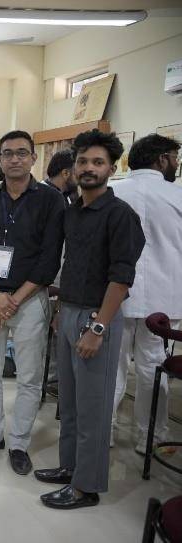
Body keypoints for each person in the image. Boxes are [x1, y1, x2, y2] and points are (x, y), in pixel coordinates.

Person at [37, 130, 145, 509]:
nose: (88, 168)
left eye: (97, 162)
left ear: (112, 169)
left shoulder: (120, 215)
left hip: (98, 318)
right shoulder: (73, 212)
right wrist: (60, 311)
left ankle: (86, 486)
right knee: (69, 403)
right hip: (69, 312)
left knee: (93, 408)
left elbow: (121, 278)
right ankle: (70, 467)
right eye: (82, 161)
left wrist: (98, 327)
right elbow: (71, 266)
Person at [0, 130, 65, 475]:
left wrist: (13, 301)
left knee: (30, 376)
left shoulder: (51, 201)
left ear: (34, 158)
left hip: (31, 299)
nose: (14, 159)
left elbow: (49, 260)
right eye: (7, 153)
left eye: (22, 153)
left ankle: (19, 442)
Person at [110, 133, 181, 454]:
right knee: (153, 368)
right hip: (163, 301)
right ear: (162, 159)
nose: (176, 164)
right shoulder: (177, 196)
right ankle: (151, 438)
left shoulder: (112, 192)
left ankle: (104, 432)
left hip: (116, 296)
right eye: (175, 158)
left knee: (111, 368)